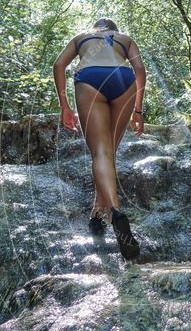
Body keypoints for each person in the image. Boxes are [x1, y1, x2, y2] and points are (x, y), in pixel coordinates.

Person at [52, 18, 146, 259]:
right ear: (113, 30)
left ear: (96, 27)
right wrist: (138, 110)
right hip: (124, 79)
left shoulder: (82, 36)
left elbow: (59, 65)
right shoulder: (124, 39)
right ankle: (97, 212)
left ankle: (114, 211)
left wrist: (64, 105)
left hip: (90, 78)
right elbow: (140, 70)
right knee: (108, 153)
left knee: (100, 153)